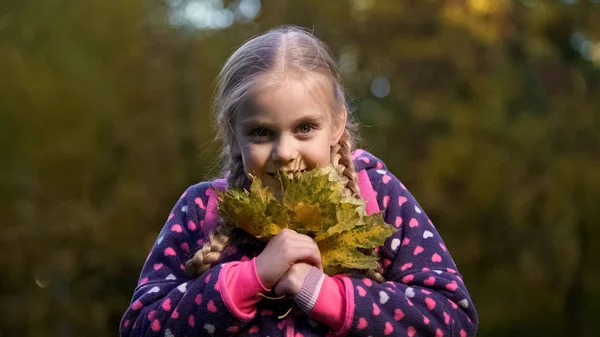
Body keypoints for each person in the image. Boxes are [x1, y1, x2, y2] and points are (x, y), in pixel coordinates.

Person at [120, 25, 478, 337]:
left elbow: (454, 320)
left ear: (337, 124)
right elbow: (140, 327)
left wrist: (323, 294)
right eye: (261, 132)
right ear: (234, 134)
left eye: (305, 128)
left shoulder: (377, 196)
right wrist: (248, 278)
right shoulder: (203, 209)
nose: (284, 152)